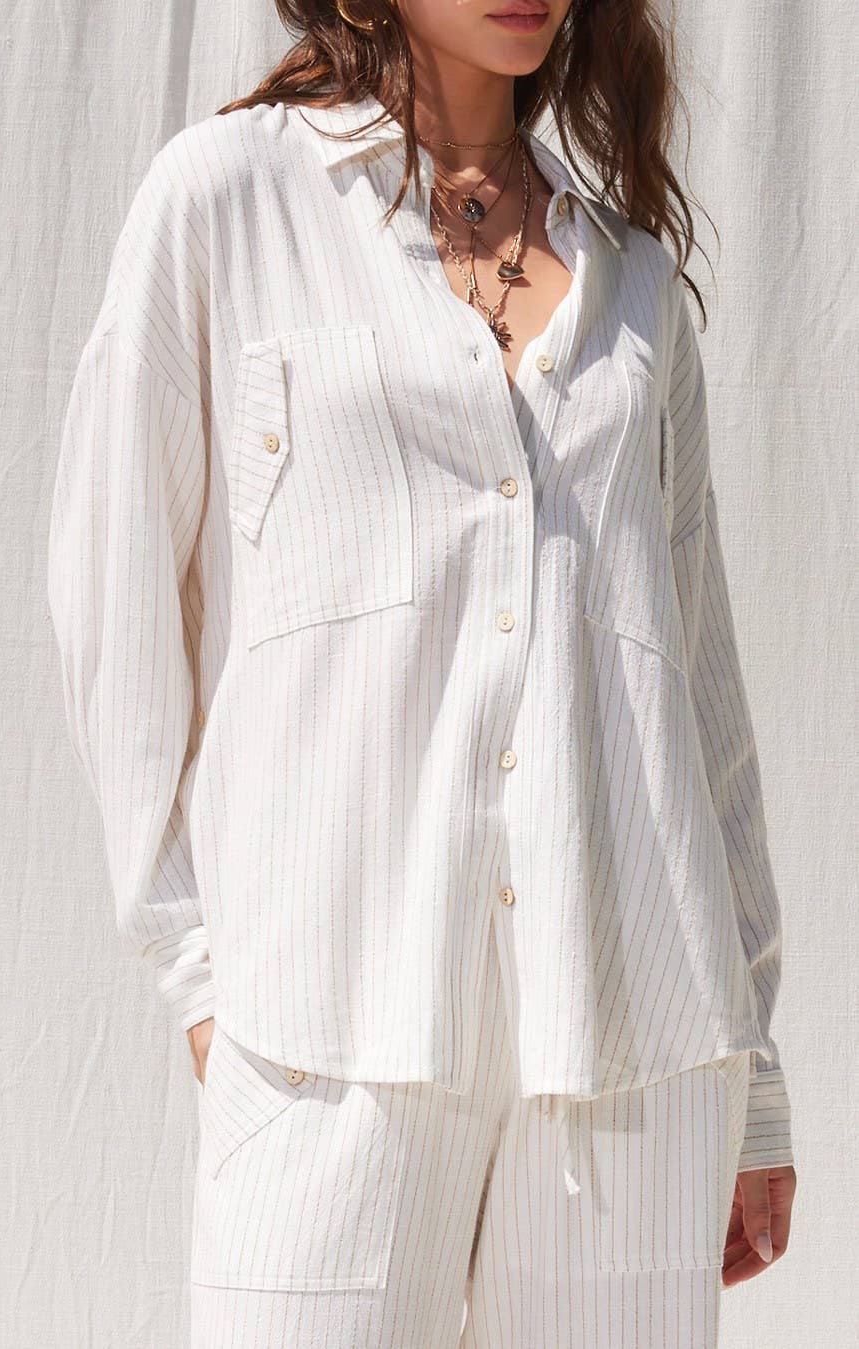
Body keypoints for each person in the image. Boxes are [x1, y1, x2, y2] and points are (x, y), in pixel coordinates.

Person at [46, 1, 797, 1344]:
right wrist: (196, 969)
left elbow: (697, 683)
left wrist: (756, 1077)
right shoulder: (228, 204)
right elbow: (114, 594)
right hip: (326, 1023)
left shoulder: (632, 282)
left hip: (631, 1037)